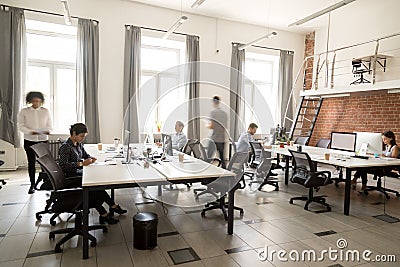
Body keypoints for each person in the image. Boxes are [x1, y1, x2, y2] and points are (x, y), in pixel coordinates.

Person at [58, 123, 127, 224]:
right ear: (73, 134)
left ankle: (109, 209)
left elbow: (85, 154)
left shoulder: (78, 143)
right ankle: (107, 211)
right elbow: (63, 166)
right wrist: (81, 163)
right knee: (96, 187)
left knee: (98, 185)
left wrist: (90, 158)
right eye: (81, 136)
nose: (82, 139)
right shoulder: (66, 147)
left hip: (79, 173)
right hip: (72, 177)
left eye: (83, 136)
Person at [18, 92, 52, 194]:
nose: (36, 103)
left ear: (41, 101)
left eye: (38, 101)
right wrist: (30, 132)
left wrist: (47, 130)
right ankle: (32, 184)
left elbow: (50, 125)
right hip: (29, 140)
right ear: (30, 101)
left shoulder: (45, 111)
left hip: (43, 139)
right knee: (31, 163)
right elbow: (20, 125)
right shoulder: (24, 111)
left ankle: (47, 183)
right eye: (33, 101)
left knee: (45, 163)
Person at [208, 96, 228, 169]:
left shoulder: (213, 112)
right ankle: (224, 174)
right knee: (222, 159)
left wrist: (207, 125)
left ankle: (205, 173)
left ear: (213, 102)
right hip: (222, 138)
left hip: (214, 138)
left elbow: (212, 126)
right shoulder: (224, 113)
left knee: (208, 157)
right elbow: (225, 126)